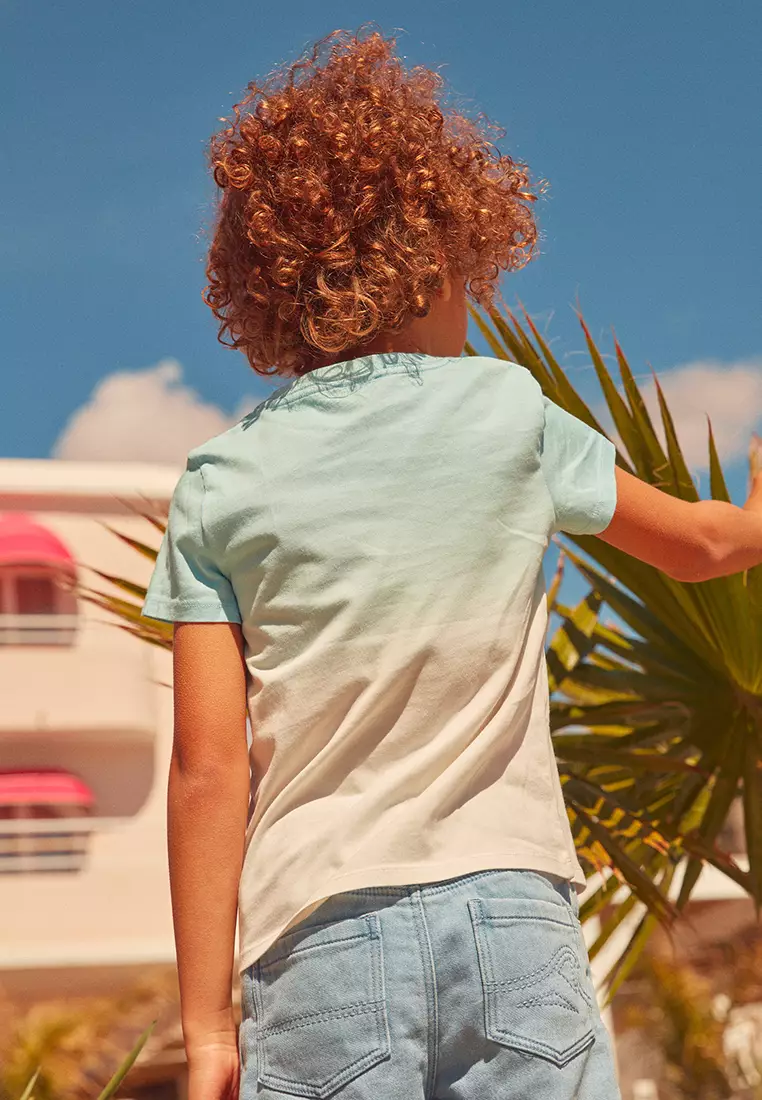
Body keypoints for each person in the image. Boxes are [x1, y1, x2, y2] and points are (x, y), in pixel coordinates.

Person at [142, 28, 762, 1100]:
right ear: (438, 254)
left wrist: (207, 1030)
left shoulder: (220, 480)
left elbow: (206, 769)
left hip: (314, 939)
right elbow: (704, 546)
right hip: (513, 920)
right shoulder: (509, 413)